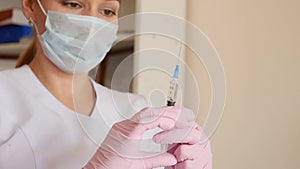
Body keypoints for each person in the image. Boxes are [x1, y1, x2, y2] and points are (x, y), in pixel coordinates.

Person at [0, 0, 212, 168]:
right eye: (73, 4)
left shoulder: (137, 111)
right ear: (29, 5)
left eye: (108, 11)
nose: (92, 24)